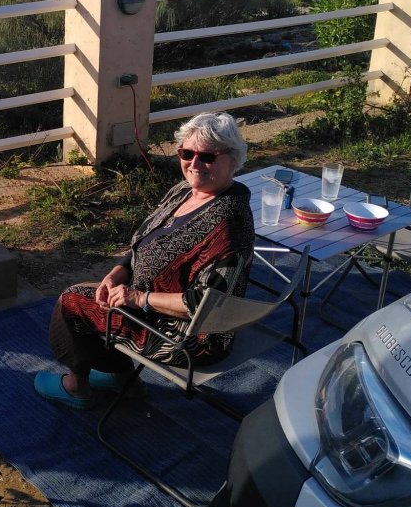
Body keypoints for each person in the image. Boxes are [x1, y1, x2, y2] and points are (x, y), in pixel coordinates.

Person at [34, 112, 255, 409]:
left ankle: (77, 388)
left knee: (72, 301)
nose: (194, 163)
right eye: (186, 153)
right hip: (153, 306)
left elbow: (205, 305)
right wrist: (117, 273)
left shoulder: (228, 224)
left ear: (233, 159)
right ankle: (124, 378)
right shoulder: (185, 192)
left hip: (189, 337)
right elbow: (146, 243)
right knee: (97, 294)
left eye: (207, 156)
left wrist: (138, 298)